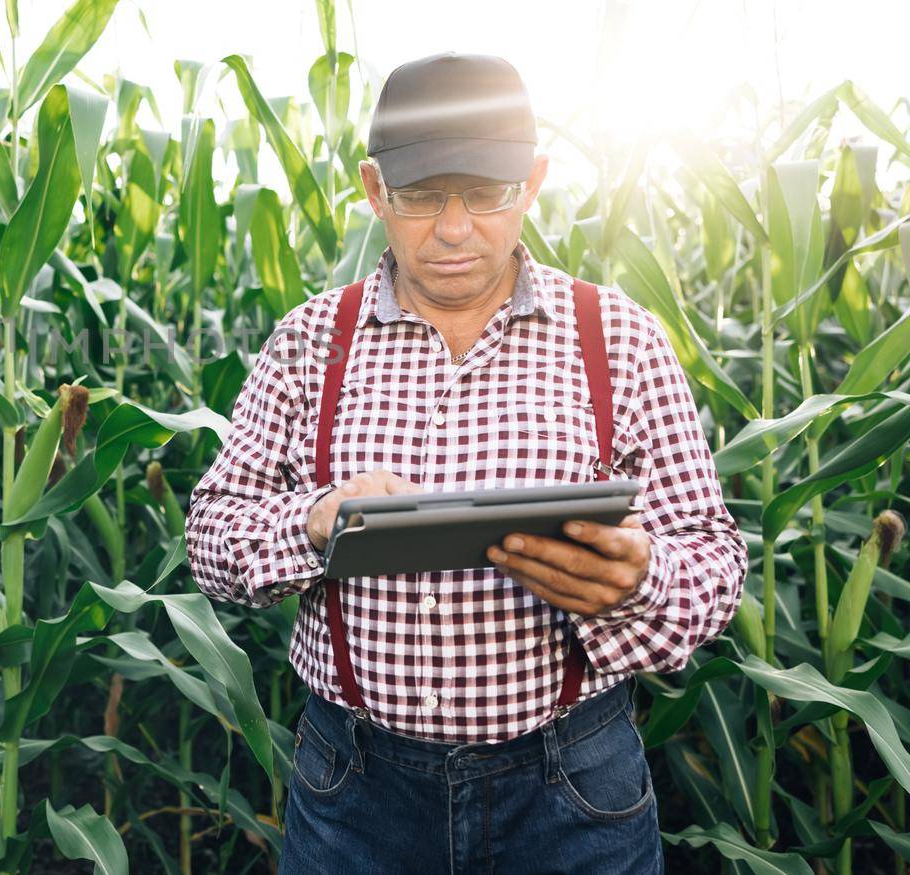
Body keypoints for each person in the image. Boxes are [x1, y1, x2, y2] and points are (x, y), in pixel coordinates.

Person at [185, 52, 748, 874]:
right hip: (356, 793)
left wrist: (641, 578)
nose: (453, 228)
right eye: (419, 198)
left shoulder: (618, 341)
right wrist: (311, 523)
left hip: (572, 792)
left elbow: (714, 558)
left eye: (487, 194)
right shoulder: (309, 343)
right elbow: (211, 534)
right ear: (376, 191)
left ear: (534, 182)